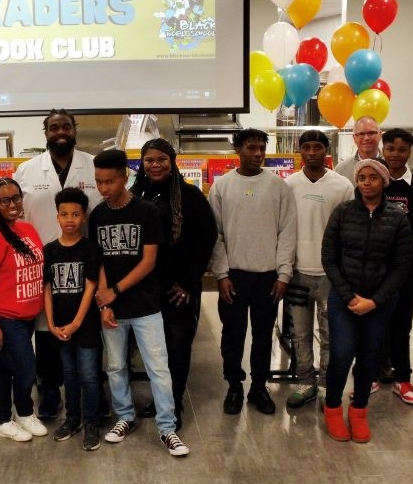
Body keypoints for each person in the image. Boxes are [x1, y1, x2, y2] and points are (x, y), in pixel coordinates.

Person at [92, 150, 189, 456]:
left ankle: (167, 428)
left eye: (110, 181)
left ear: (125, 177)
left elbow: (148, 262)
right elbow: (100, 262)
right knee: (116, 366)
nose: (104, 188)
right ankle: (124, 417)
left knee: (158, 368)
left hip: (146, 305)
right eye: (99, 182)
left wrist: (115, 291)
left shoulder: (146, 211)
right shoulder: (97, 215)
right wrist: (105, 301)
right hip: (113, 308)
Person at [14, 109, 103, 419]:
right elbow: (17, 220)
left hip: (85, 263)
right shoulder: (26, 171)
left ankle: (94, 390)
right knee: (47, 331)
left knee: (89, 330)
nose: (60, 132)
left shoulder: (93, 166)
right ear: (46, 133)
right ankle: (50, 390)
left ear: (74, 130)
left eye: (66, 126)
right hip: (42, 265)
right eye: (54, 127)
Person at [321, 159, 412, 442]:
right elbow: (329, 257)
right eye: (362, 177)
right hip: (343, 300)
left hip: (379, 303)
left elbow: (401, 266)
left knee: (369, 358)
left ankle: (358, 411)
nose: (367, 182)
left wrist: (374, 301)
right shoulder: (343, 212)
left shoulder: (398, 217)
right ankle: (333, 409)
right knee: (341, 355)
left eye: (373, 177)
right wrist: (349, 296)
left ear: (384, 181)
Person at [129, 138, 217, 427]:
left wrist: (189, 282)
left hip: (178, 290)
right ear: (142, 164)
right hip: (146, 289)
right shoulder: (135, 195)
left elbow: (207, 240)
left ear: (172, 162)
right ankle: (160, 399)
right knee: (155, 351)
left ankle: (173, 404)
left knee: (177, 349)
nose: (155, 165)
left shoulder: (190, 196)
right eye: (150, 160)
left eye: (161, 159)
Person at [209, 128, 297, 415]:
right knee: (232, 335)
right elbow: (216, 235)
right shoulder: (221, 187)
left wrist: (283, 274)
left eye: (261, 148)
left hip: (268, 276)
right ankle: (234, 385)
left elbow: (287, 232)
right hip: (234, 276)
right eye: (251, 147)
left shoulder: (279, 187)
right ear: (238, 149)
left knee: (262, 335)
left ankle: (259, 387)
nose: (258, 153)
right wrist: (221, 274)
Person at [0, 177, 47, 442]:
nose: (12, 204)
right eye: (5, 200)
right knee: (26, 369)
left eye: (16, 198)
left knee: (4, 368)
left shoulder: (27, 230)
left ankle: (6, 419)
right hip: (3, 317)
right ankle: (22, 411)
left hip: (26, 316)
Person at [283, 130, 354, 408]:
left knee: (330, 334)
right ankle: (304, 382)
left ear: (326, 151)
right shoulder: (288, 185)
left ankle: (326, 384)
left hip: (331, 276)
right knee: (299, 334)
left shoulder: (342, 186)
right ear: (299, 151)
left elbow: (349, 232)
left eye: (317, 147)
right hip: (298, 273)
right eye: (306, 148)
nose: (312, 152)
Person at [43, 187, 103, 450]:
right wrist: (51, 323)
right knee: (69, 374)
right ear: (57, 217)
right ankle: (73, 418)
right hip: (60, 327)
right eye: (64, 214)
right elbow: (46, 289)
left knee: (89, 375)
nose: (70, 219)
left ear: (84, 218)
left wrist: (77, 322)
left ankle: (91, 422)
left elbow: (91, 287)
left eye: (75, 214)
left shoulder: (90, 249)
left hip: (85, 326)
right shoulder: (50, 250)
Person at [379, 128, 413, 404]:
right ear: (383, 149)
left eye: (402, 150)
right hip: (374, 265)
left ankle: (403, 377)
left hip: (404, 263)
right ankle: (374, 374)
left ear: (409, 151)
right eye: (390, 149)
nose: (396, 155)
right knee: (375, 320)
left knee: (401, 321)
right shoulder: (373, 181)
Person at [334, 116, 383, 182]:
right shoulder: (341, 169)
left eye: (371, 133)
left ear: (380, 135)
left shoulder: (390, 165)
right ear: (354, 138)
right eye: (361, 134)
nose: (366, 138)